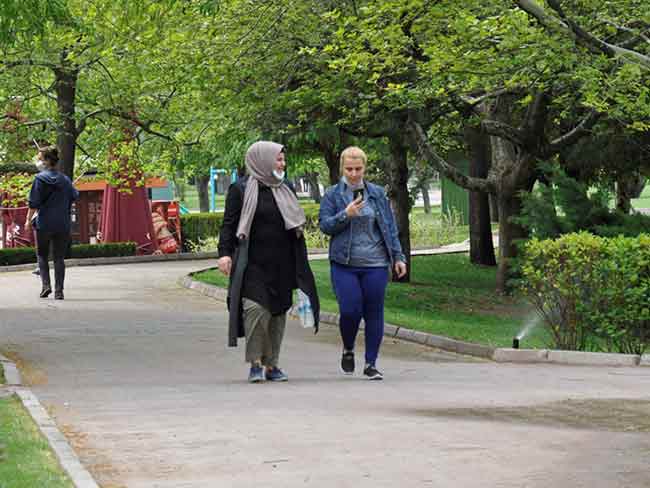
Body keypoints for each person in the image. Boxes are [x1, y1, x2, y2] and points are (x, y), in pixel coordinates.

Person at [217, 141, 320, 383]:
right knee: (255, 310)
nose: (283, 165)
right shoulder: (240, 189)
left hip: (282, 263)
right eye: (278, 160)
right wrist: (224, 253)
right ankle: (255, 363)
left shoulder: (286, 188)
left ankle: (272, 365)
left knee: (278, 312)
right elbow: (229, 225)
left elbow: (293, 223)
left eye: (284, 160)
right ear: (262, 160)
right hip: (252, 263)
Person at [319, 146, 407, 380]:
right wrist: (345, 214)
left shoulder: (376, 193)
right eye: (349, 169)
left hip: (376, 262)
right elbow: (325, 226)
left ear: (365, 168)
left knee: (373, 312)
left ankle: (371, 363)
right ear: (342, 169)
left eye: (358, 169)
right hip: (344, 263)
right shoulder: (333, 195)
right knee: (350, 310)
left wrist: (398, 257)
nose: (354, 174)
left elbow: (389, 227)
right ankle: (348, 347)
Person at [24, 147, 79, 300]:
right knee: (59, 258)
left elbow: (33, 203)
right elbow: (74, 195)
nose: (39, 162)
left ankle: (46, 286)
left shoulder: (39, 179)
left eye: (40, 159)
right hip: (62, 223)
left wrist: (28, 221)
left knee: (42, 255)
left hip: (44, 223)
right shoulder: (65, 179)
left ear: (47, 161)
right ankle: (59, 291)